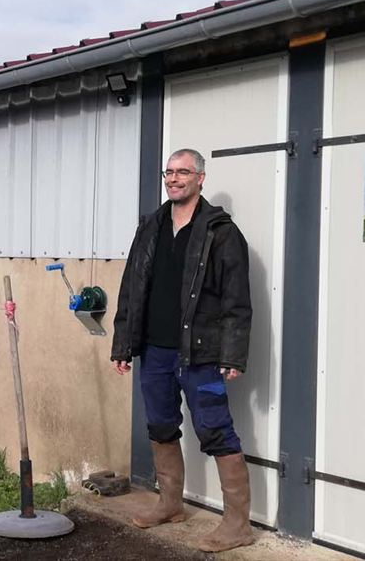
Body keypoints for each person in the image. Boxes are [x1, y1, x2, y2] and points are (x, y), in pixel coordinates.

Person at [111, 148, 255, 553]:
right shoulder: (151, 227)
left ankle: (237, 524)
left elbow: (237, 299)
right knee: (159, 425)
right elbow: (131, 290)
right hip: (155, 351)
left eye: (183, 172)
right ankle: (171, 503)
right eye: (169, 172)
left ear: (200, 179)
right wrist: (124, 343)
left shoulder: (221, 232)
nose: (174, 179)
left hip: (201, 353)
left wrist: (233, 354)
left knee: (215, 430)